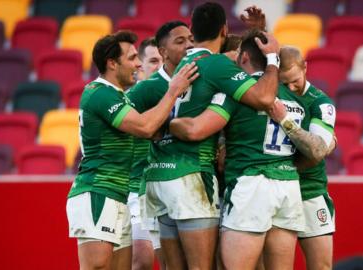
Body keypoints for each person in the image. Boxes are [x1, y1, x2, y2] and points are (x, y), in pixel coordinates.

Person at [142, 2, 281, 270]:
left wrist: (258, 32)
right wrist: (273, 59)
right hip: (191, 175)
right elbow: (264, 96)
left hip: (159, 177)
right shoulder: (217, 65)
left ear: (192, 34)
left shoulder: (178, 64)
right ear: (224, 29)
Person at [169, 30, 306, 270]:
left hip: (252, 186)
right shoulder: (291, 94)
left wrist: (170, 121)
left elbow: (196, 130)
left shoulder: (237, 93)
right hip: (288, 188)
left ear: (242, 58)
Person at [65, 30, 198, 270]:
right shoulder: (99, 92)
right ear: (112, 63)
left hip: (118, 194)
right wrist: (173, 90)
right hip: (97, 192)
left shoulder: (119, 97)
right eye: (132, 58)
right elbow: (146, 127)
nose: (138, 64)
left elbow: (149, 127)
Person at [127, 20, 194, 270]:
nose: (188, 46)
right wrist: (148, 130)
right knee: (145, 260)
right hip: (148, 186)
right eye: (151, 61)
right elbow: (120, 131)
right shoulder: (143, 91)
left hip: (198, 182)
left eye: (191, 40)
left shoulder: (201, 80)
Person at [270, 45, 337, 270]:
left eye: (295, 80)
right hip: (276, 191)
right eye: (284, 82)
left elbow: (317, 151)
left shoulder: (321, 103)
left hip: (310, 190)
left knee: (322, 267)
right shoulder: (270, 93)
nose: (290, 87)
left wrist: (285, 121)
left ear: (305, 67)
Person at [128, 37, 164, 270]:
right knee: (141, 259)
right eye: (153, 61)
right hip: (134, 189)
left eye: (163, 60)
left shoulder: (179, 98)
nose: (159, 66)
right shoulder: (127, 101)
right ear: (140, 66)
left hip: (168, 186)